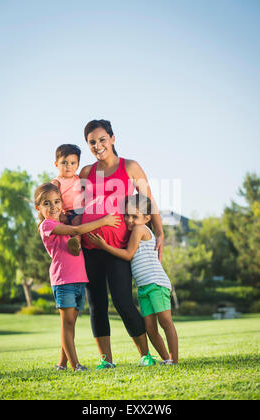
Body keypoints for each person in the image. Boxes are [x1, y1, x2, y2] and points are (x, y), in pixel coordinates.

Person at [79, 119, 165, 369]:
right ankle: (106, 360)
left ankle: (145, 355)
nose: (98, 145)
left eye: (102, 139)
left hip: (119, 248)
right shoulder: (86, 173)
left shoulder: (130, 167)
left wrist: (159, 232)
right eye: (92, 142)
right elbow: (75, 205)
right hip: (91, 248)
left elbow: (149, 201)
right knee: (97, 304)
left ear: (113, 138)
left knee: (123, 301)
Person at [34, 182, 121, 372]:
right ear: (38, 208)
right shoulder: (47, 225)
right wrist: (104, 221)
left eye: (57, 201)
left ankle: (62, 364)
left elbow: (74, 232)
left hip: (79, 280)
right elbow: (75, 231)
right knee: (67, 323)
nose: (53, 206)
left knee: (71, 324)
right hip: (63, 280)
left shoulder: (61, 222)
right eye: (47, 204)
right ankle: (75, 366)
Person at [88, 194, 179, 364]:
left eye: (134, 216)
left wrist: (104, 246)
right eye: (127, 215)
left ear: (147, 218)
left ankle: (174, 359)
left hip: (156, 284)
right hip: (144, 288)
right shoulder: (135, 229)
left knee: (165, 322)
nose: (129, 220)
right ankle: (166, 359)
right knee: (150, 328)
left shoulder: (139, 230)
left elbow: (128, 254)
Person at [51, 144, 84, 256]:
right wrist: (61, 214)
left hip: (83, 210)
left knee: (77, 222)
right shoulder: (56, 182)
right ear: (56, 164)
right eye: (64, 163)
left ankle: (76, 242)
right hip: (69, 212)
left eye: (72, 163)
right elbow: (53, 201)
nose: (68, 166)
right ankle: (76, 246)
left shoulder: (79, 178)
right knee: (74, 223)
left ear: (78, 165)